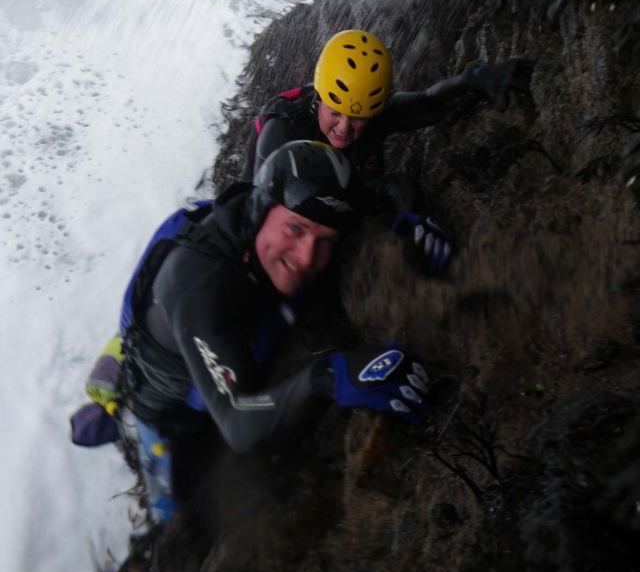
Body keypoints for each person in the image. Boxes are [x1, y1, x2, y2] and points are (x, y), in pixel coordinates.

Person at [121, 140, 430, 528]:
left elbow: (386, 189)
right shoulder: (200, 288)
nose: (305, 257)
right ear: (261, 210)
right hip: (170, 407)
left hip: (232, 339)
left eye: (324, 241)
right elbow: (240, 428)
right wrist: (328, 376)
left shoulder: (295, 204)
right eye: (295, 229)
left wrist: (414, 217)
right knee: (180, 505)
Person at [242, 29, 535, 272]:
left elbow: (426, 104)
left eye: (358, 118)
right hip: (275, 200)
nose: (344, 128)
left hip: (339, 189)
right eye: (335, 112)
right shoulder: (283, 129)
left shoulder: (367, 109)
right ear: (318, 99)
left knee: (400, 187)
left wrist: (474, 79)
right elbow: (257, 208)